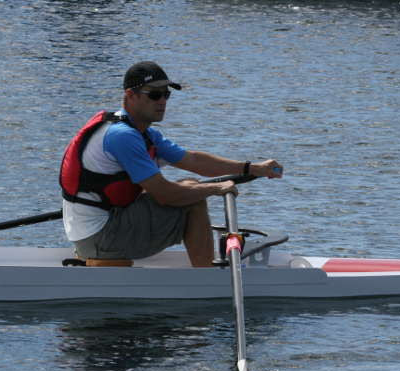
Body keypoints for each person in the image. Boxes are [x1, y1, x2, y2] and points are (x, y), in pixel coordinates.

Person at [59, 61, 283, 267]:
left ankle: (202, 270)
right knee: (192, 200)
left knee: (190, 184)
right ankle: (206, 279)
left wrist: (252, 168)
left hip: (95, 230)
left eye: (166, 95)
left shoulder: (143, 133)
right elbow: (167, 195)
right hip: (100, 237)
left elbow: (193, 160)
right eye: (155, 94)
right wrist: (214, 189)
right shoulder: (122, 136)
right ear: (130, 95)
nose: (162, 102)